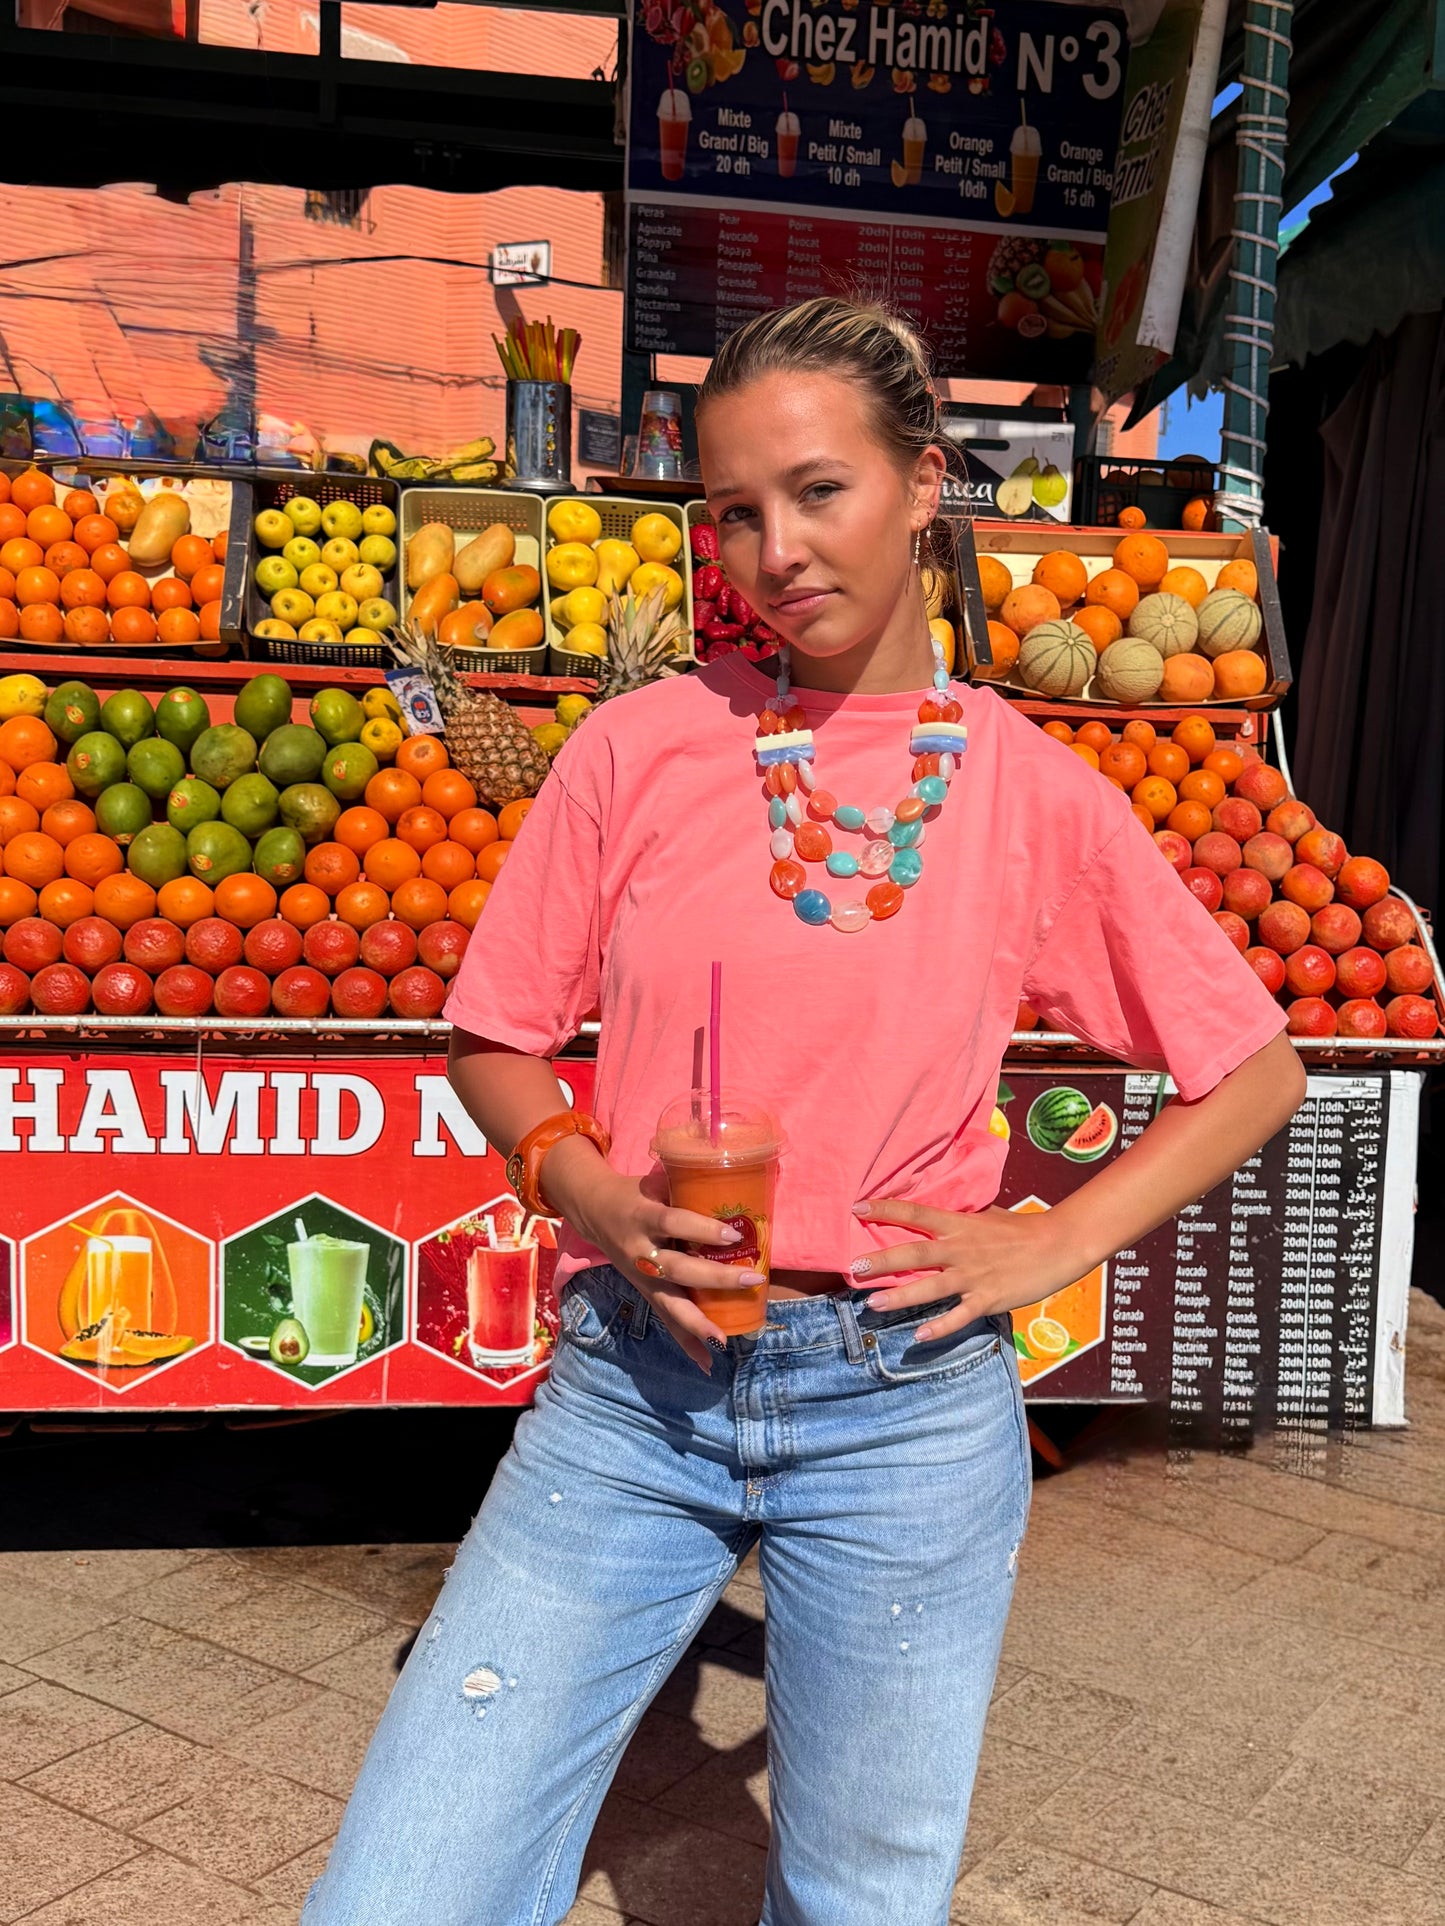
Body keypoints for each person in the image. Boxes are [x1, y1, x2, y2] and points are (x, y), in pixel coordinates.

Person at [303, 297, 1305, 1926]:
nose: (775, 549)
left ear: (924, 484)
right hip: (633, 1393)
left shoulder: (1033, 794)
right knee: (402, 1887)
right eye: (735, 511)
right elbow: (491, 1036)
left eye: (820, 490)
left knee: (859, 1899)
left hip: (904, 1406)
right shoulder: (635, 750)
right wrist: (581, 1182)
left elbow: (1251, 1068)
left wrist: (1050, 1237)